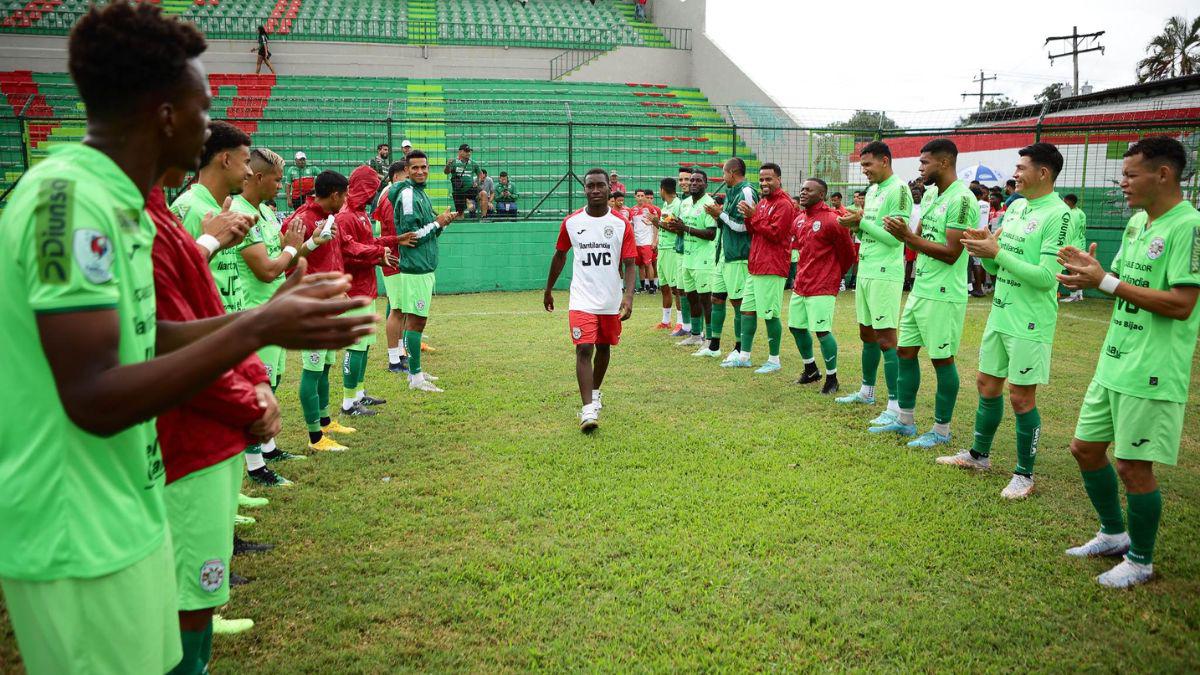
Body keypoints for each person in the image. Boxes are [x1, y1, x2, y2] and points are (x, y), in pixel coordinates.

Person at [0, 4, 375, 672]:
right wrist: (257, 325)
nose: (210, 128)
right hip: (74, 528)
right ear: (165, 113)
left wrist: (267, 316)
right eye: (203, 108)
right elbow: (92, 393)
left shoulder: (120, 202)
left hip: (126, 504)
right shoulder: (67, 202)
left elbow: (150, 336)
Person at [1057, 136, 1200, 589]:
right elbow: (1115, 281)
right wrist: (1088, 271)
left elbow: (1181, 303)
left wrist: (1107, 282)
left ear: (1163, 174)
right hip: (1114, 357)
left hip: (1152, 365)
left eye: (1130, 174)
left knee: (1133, 467)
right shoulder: (1138, 222)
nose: (1122, 184)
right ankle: (1113, 534)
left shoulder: (1189, 226)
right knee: (1085, 449)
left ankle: (1141, 560)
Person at [937, 143, 1073, 500]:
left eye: (1021, 167)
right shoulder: (1015, 209)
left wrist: (997, 253)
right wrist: (985, 250)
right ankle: (979, 456)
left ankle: (1024, 475)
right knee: (986, 383)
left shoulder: (1059, 215)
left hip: (1030, 320)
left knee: (1021, 397)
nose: (1015, 173)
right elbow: (997, 266)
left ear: (1043, 173)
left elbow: (1047, 277)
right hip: (1001, 311)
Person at [873, 139, 972, 449]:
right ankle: (905, 419)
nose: (919, 168)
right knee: (906, 352)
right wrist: (904, 235)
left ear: (944, 163)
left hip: (944, 294)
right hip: (920, 288)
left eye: (925, 162)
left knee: (942, 359)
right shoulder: (930, 194)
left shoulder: (962, 199)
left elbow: (952, 253)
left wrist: (906, 239)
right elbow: (918, 237)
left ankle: (941, 431)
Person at [232, 147, 317, 484]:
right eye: (278, 180)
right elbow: (268, 270)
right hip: (253, 317)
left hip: (273, 314)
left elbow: (286, 257)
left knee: (274, 382)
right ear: (258, 177)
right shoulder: (241, 213)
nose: (282, 187)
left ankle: (267, 447)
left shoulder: (265, 213)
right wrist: (291, 249)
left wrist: (305, 246)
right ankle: (256, 467)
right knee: (258, 390)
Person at [543, 168, 636, 432]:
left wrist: (628, 297)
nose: (595, 190)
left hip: (610, 299)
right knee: (584, 348)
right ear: (584, 189)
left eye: (600, 186)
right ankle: (587, 412)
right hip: (581, 298)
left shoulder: (621, 224)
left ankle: (595, 394)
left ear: (610, 189)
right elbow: (560, 255)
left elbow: (630, 263)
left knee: (604, 348)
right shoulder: (572, 222)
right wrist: (548, 289)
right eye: (590, 186)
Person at [285, 170, 362, 451]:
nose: (345, 201)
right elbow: (288, 261)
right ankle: (315, 437)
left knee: (326, 365)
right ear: (335, 195)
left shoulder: (330, 220)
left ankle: (326, 421)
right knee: (312, 368)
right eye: (344, 195)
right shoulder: (301, 220)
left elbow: (334, 257)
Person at [835, 141, 911, 424]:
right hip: (866, 269)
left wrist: (861, 223)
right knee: (866, 334)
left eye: (868, 165)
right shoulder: (874, 190)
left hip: (884, 272)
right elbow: (872, 228)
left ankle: (894, 406)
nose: (864, 170)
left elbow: (894, 238)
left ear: (885, 161)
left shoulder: (898, 190)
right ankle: (867, 391)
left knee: (886, 339)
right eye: (862, 165)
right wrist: (855, 223)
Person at [336, 165, 414, 414]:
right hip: (354, 291)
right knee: (356, 346)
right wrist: (380, 253)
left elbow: (367, 244)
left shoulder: (359, 214)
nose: (373, 193)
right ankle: (348, 403)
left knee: (365, 345)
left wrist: (392, 241)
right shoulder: (346, 216)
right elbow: (348, 251)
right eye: (371, 187)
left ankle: (359, 394)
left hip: (366, 287)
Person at [391, 150, 461, 392]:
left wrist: (441, 223)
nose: (420, 171)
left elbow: (426, 231)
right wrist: (437, 223)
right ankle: (415, 376)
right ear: (407, 171)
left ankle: (415, 372)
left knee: (417, 322)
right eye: (415, 168)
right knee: (415, 323)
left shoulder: (421, 194)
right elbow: (411, 236)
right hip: (416, 268)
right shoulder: (409, 195)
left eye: (424, 167)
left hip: (423, 267)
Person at [169, 120, 253, 315]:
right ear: (226, 160)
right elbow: (176, 282)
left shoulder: (220, 210)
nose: (249, 172)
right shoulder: (189, 208)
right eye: (246, 162)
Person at [789, 177, 855, 394]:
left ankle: (832, 378)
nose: (804, 192)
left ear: (822, 195)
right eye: (802, 189)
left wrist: (833, 275)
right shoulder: (799, 219)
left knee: (822, 331)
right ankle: (810, 370)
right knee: (796, 327)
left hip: (823, 284)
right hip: (801, 283)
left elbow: (848, 254)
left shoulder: (832, 220)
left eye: (809, 190)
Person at [736, 162, 797, 373]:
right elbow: (755, 230)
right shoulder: (763, 203)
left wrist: (754, 216)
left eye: (768, 179)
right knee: (747, 311)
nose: (764, 183)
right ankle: (744, 356)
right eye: (761, 179)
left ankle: (774, 360)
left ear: (778, 179)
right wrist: (748, 217)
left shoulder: (784, 204)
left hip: (772, 266)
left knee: (770, 315)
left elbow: (776, 234)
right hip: (756, 265)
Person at [702, 157, 756, 362]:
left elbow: (745, 226)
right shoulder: (731, 191)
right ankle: (714, 345)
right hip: (723, 256)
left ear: (732, 172)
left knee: (738, 303)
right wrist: (717, 215)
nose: (723, 177)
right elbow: (727, 222)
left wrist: (720, 214)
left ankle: (739, 348)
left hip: (739, 257)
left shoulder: (747, 191)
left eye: (724, 172)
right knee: (716, 299)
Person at [663, 169, 717, 347]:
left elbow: (711, 234)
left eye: (698, 181)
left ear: (706, 184)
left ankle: (709, 339)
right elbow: (681, 227)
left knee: (705, 300)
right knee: (691, 297)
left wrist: (684, 228)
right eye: (692, 180)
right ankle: (695, 334)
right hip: (687, 258)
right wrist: (675, 225)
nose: (693, 183)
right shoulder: (685, 204)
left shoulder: (709, 204)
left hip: (703, 260)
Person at [376, 160, 411, 372]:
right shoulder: (391, 197)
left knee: (400, 308)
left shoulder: (391, 194)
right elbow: (392, 229)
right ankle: (393, 359)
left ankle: (400, 353)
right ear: (397, 176)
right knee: (397, 310)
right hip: (393, 258)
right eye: (407, 177)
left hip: (395, 257)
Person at [653, 177, 684, 330]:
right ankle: (666, 321)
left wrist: (657, 222)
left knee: (676, 288)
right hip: (663, 250)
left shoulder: (678, 205)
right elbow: (664, 226)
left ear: (662, 189)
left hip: (672, 250)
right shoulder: (665, 204)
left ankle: (680, 322)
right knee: (664, 286)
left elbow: (677, 228)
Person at [1059, 193, 1088, 303]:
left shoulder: (1070, 214)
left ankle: (1073, 295)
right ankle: (1080, 294)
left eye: (1064, 201)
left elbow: (1067, 231)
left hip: (1073, 244)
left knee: (1071, 270)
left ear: (1068, 202)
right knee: (1078, 270)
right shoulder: (1081, 212)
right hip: (1081, 243)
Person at [630, 189, 660, 294]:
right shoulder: (632, 210)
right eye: (638, 196)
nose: (640, 198)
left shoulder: (650, 209)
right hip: (637, 242)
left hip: (647, 241)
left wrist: (654, 240)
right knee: (640, 265)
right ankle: (643, 286)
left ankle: (652, 286)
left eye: (642, 195)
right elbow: (631, 226)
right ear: (635, 197)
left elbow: (656, 225)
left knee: (649, 264)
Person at [444, 143, 482, 215]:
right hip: (458, 191)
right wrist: (447, 165)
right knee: (460, 215)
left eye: (469, 151)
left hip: (470, 189)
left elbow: (480, 174)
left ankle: (484, 217)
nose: (469, 153)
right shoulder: (454, 162)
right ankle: (468, 202)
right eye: (466, 151)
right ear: (460, 152)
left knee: (483, 194)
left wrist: (477, 182)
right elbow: (446, 172)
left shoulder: (474, 163)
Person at [969, 183, 992, 297]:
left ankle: (978, 288)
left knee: (975, 264)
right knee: (980, 262)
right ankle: (980, 286)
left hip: (975, 234)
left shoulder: (972, 204)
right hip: (984, 233)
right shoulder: (987, 204)